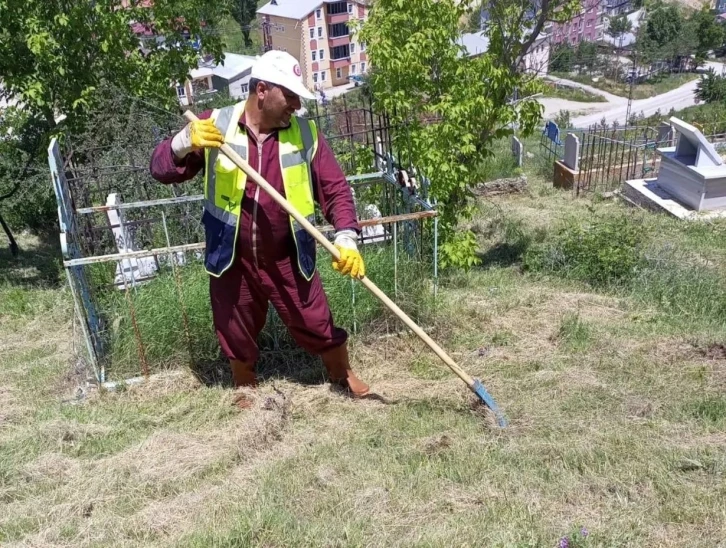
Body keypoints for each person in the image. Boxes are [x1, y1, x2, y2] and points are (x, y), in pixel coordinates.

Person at [149, 50, 369, 398]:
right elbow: (160, 170)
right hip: (231, 255)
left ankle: (341, 373)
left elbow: (336, 190)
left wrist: (346, 237)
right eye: (291, 95)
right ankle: (245, 387)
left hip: (288, 254)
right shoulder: (214, 125)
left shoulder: (306, 134)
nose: (296, 105)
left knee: (316, 320)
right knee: (234, 327)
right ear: (262, 90)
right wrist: (181, 144)